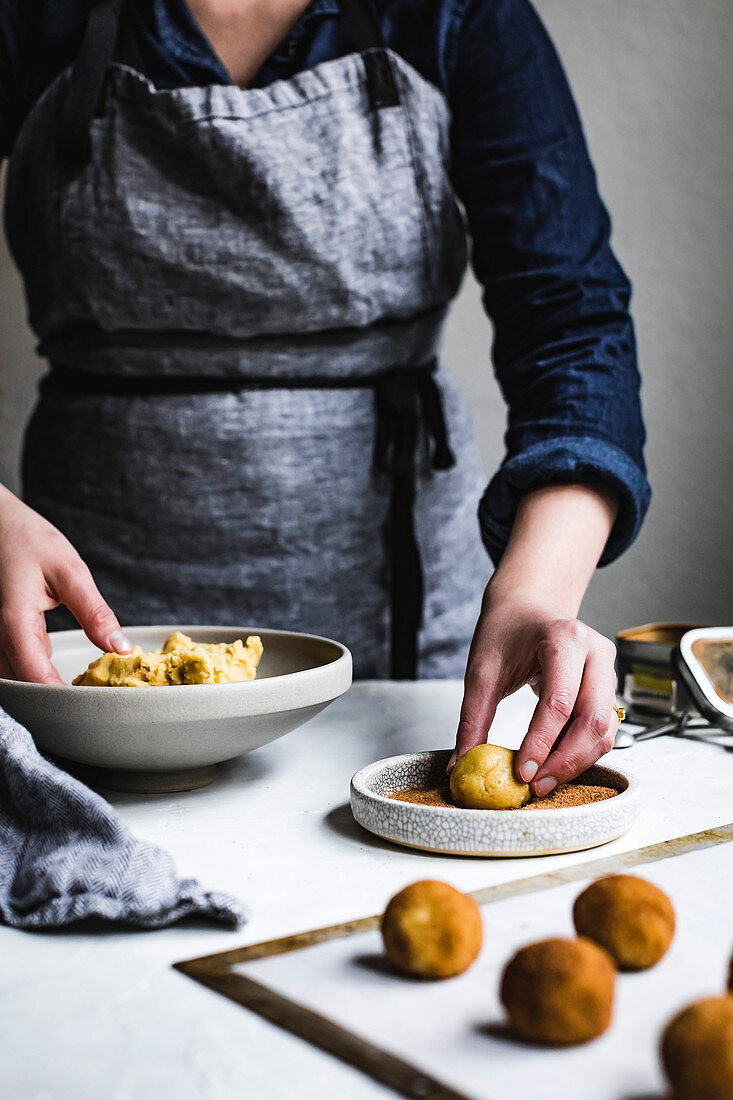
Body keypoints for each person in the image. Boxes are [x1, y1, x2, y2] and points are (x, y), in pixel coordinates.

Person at [0, 0, 649, 799]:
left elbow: (572, 323)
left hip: (396, 620)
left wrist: (533, 594)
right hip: (84, 613)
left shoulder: (459, 15)